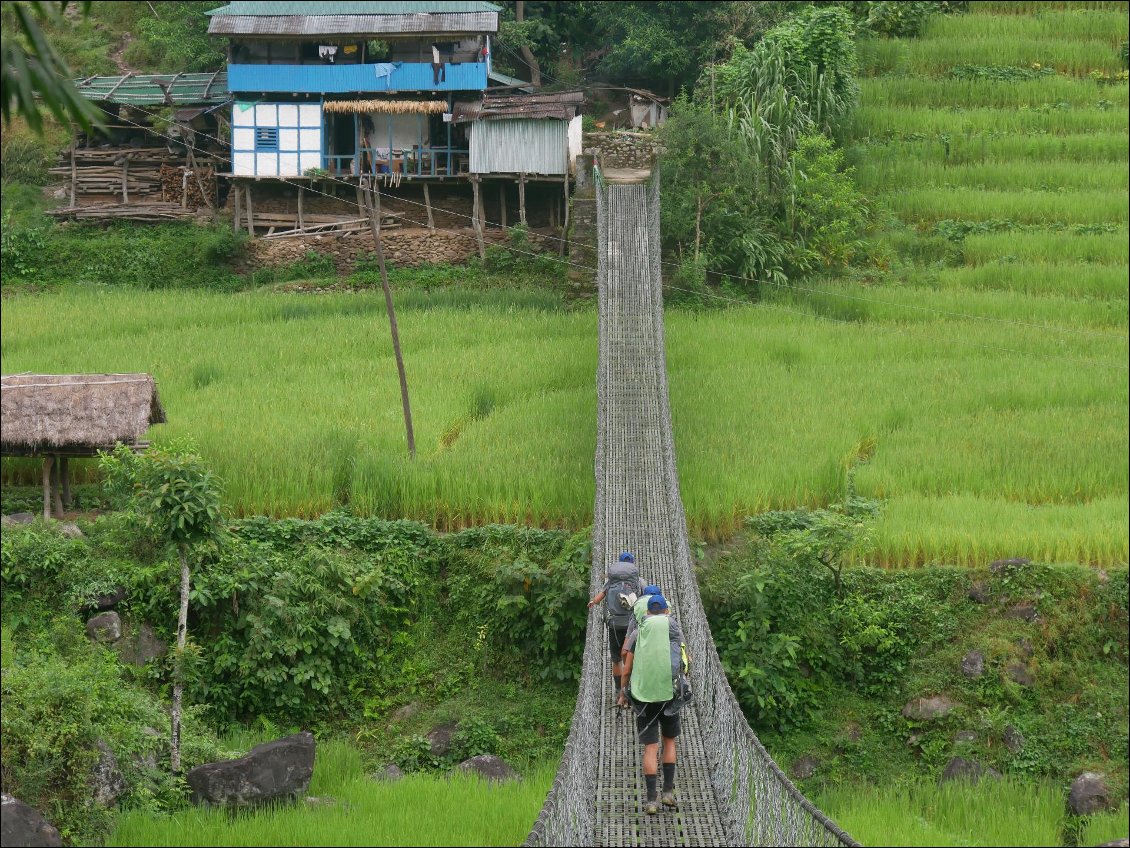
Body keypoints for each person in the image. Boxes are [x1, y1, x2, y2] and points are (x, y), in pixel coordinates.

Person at [621, 593, 688, 815]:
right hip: (670, 695)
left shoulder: (638, 632)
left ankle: (651, 801)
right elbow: (685, 665)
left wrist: (623, 693)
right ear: (666, 611)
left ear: (648, 611)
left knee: (651, 748)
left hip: (644, 697)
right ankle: (668, 792)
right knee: (669, 743)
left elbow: (627, 669)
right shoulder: (673, 630)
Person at [588, 552, 644, 706]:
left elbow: (601, 595)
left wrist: (593, 602)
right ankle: (630, 692)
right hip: (631, 626)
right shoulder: (638, 581)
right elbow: (645, 599)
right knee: (629, 657)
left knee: (616, 658)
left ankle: (619, 691)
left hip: (614, 624)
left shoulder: (611, 581)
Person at [617, 583, 662, 707]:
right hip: (666, 686)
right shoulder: (671, 626)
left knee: (627, 666)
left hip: (642, 684)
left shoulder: (637, 623)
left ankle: (625, 697)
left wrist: (627, 662)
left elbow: (624, 652)